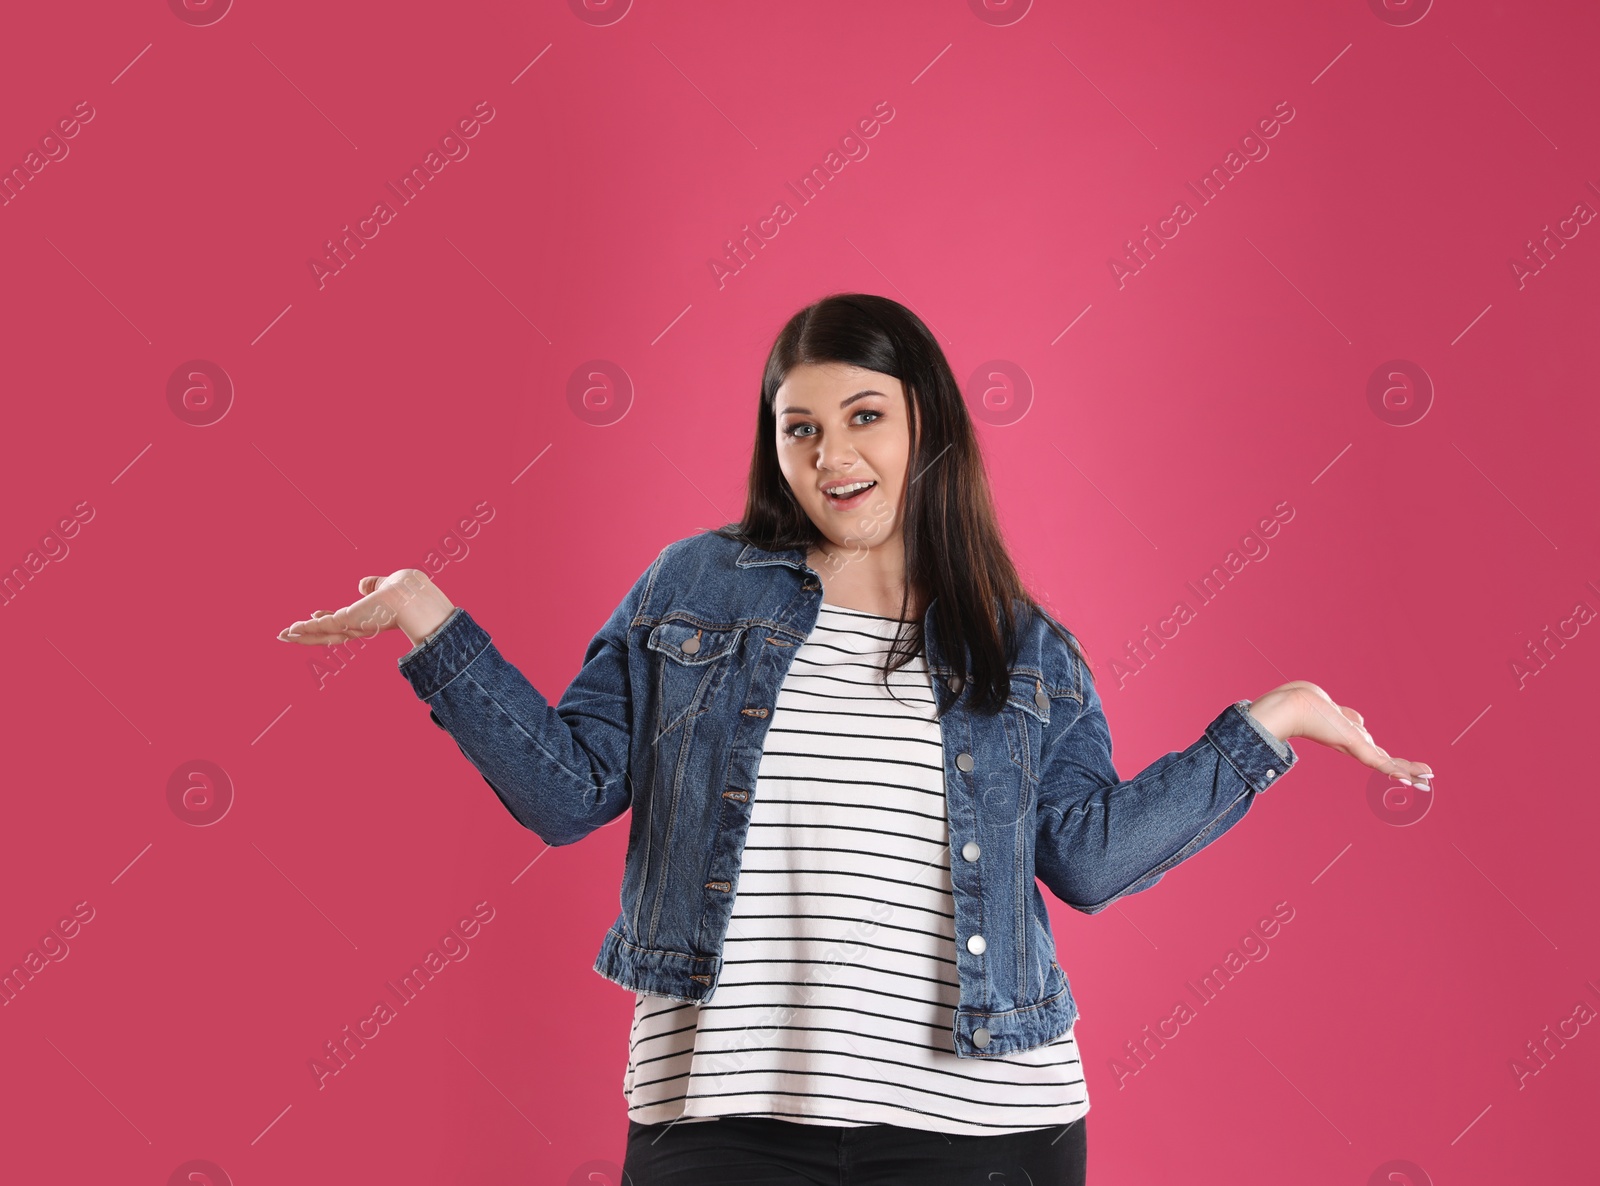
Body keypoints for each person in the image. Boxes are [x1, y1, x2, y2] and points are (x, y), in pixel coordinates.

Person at [277, 292, 1433, 1185]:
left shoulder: (1022, 646)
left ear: (923, 418)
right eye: (801, 427)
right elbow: (568, 793)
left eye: (863, 416)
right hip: (721, 1118)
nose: (833, 454)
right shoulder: (696, 589)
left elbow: (1084, 857)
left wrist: (1264, 727)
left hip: (983, 1126)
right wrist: (433, 623)